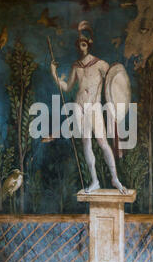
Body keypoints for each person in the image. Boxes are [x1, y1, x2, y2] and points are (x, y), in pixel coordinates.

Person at [51, 22, 127, 194]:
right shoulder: (75, 66)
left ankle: (115, 178)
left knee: (101, 142)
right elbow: (67, 87)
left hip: (94, 106)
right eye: (79, 44)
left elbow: (113, 83)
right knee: (86, 142)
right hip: (79, 106)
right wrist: (54, 74)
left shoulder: (101, 64)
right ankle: (95, 181)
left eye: (84, 44)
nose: (81, 47)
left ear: (89, 44)